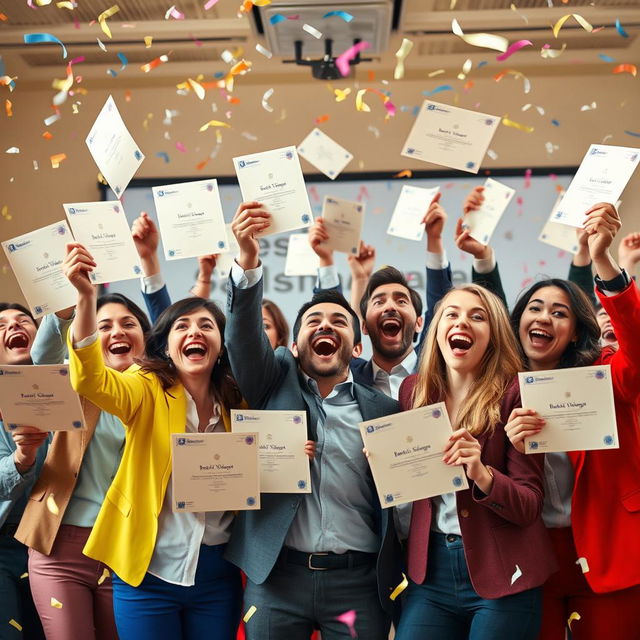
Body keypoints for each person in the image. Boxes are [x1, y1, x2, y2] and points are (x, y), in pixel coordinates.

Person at [224, 201, 402, 640]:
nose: (326, 325)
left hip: (358, 583)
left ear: (356, 348)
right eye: (314, 321)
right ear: (297, 344)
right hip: (277, 579)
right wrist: (247, 260)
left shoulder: (383, 412)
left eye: (340, 321)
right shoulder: (273, 380)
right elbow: (243, 339)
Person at [63, 241, 248, 640]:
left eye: (206, 326)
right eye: (182, 326)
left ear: (220, 346)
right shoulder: (145, 385)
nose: (194, 332)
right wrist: (84, 297)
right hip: (146, 572)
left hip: (217, 574)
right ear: (166, 345)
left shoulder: (238, 401)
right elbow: (90, 379)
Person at [505, 203, 640, 640]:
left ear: (576, 330)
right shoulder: (496, 390)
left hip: (607, 550)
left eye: (559, 313)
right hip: (530, 558)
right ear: (519, 322)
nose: (544, 317)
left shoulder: (603, 371)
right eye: (535, 309)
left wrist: (603, 259)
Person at [394, 283, 555, 640]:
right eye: (451, 314)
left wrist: (482, 473)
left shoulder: (517, 393)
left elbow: (529, 505)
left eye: (477, 317)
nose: (461, 322)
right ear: (436, 330)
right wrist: (385, 461)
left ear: (493, 335)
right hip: (430, 572)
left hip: (504, 571)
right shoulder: (413, 390)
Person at [15, 287, 152, 640]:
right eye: (103, 326)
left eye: (128, 323)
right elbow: (44, 357)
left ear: (146, 337)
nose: (117, 332)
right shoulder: (74, 383)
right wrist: (66, 311)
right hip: (59, 547)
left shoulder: (162, 395)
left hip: (125, 549)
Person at [0, 303, 47, 640]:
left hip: (56, 545)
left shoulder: (73, 391)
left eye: (22, 320)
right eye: (1, 325)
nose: (13, 327)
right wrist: (21, 458)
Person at [191, 254, 291, 349]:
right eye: (244, 324)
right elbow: (194, 317)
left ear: (280, 338)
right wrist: (205, 275)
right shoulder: (223, 363)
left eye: (265, 326)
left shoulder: (289, 366)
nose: (254, 331)